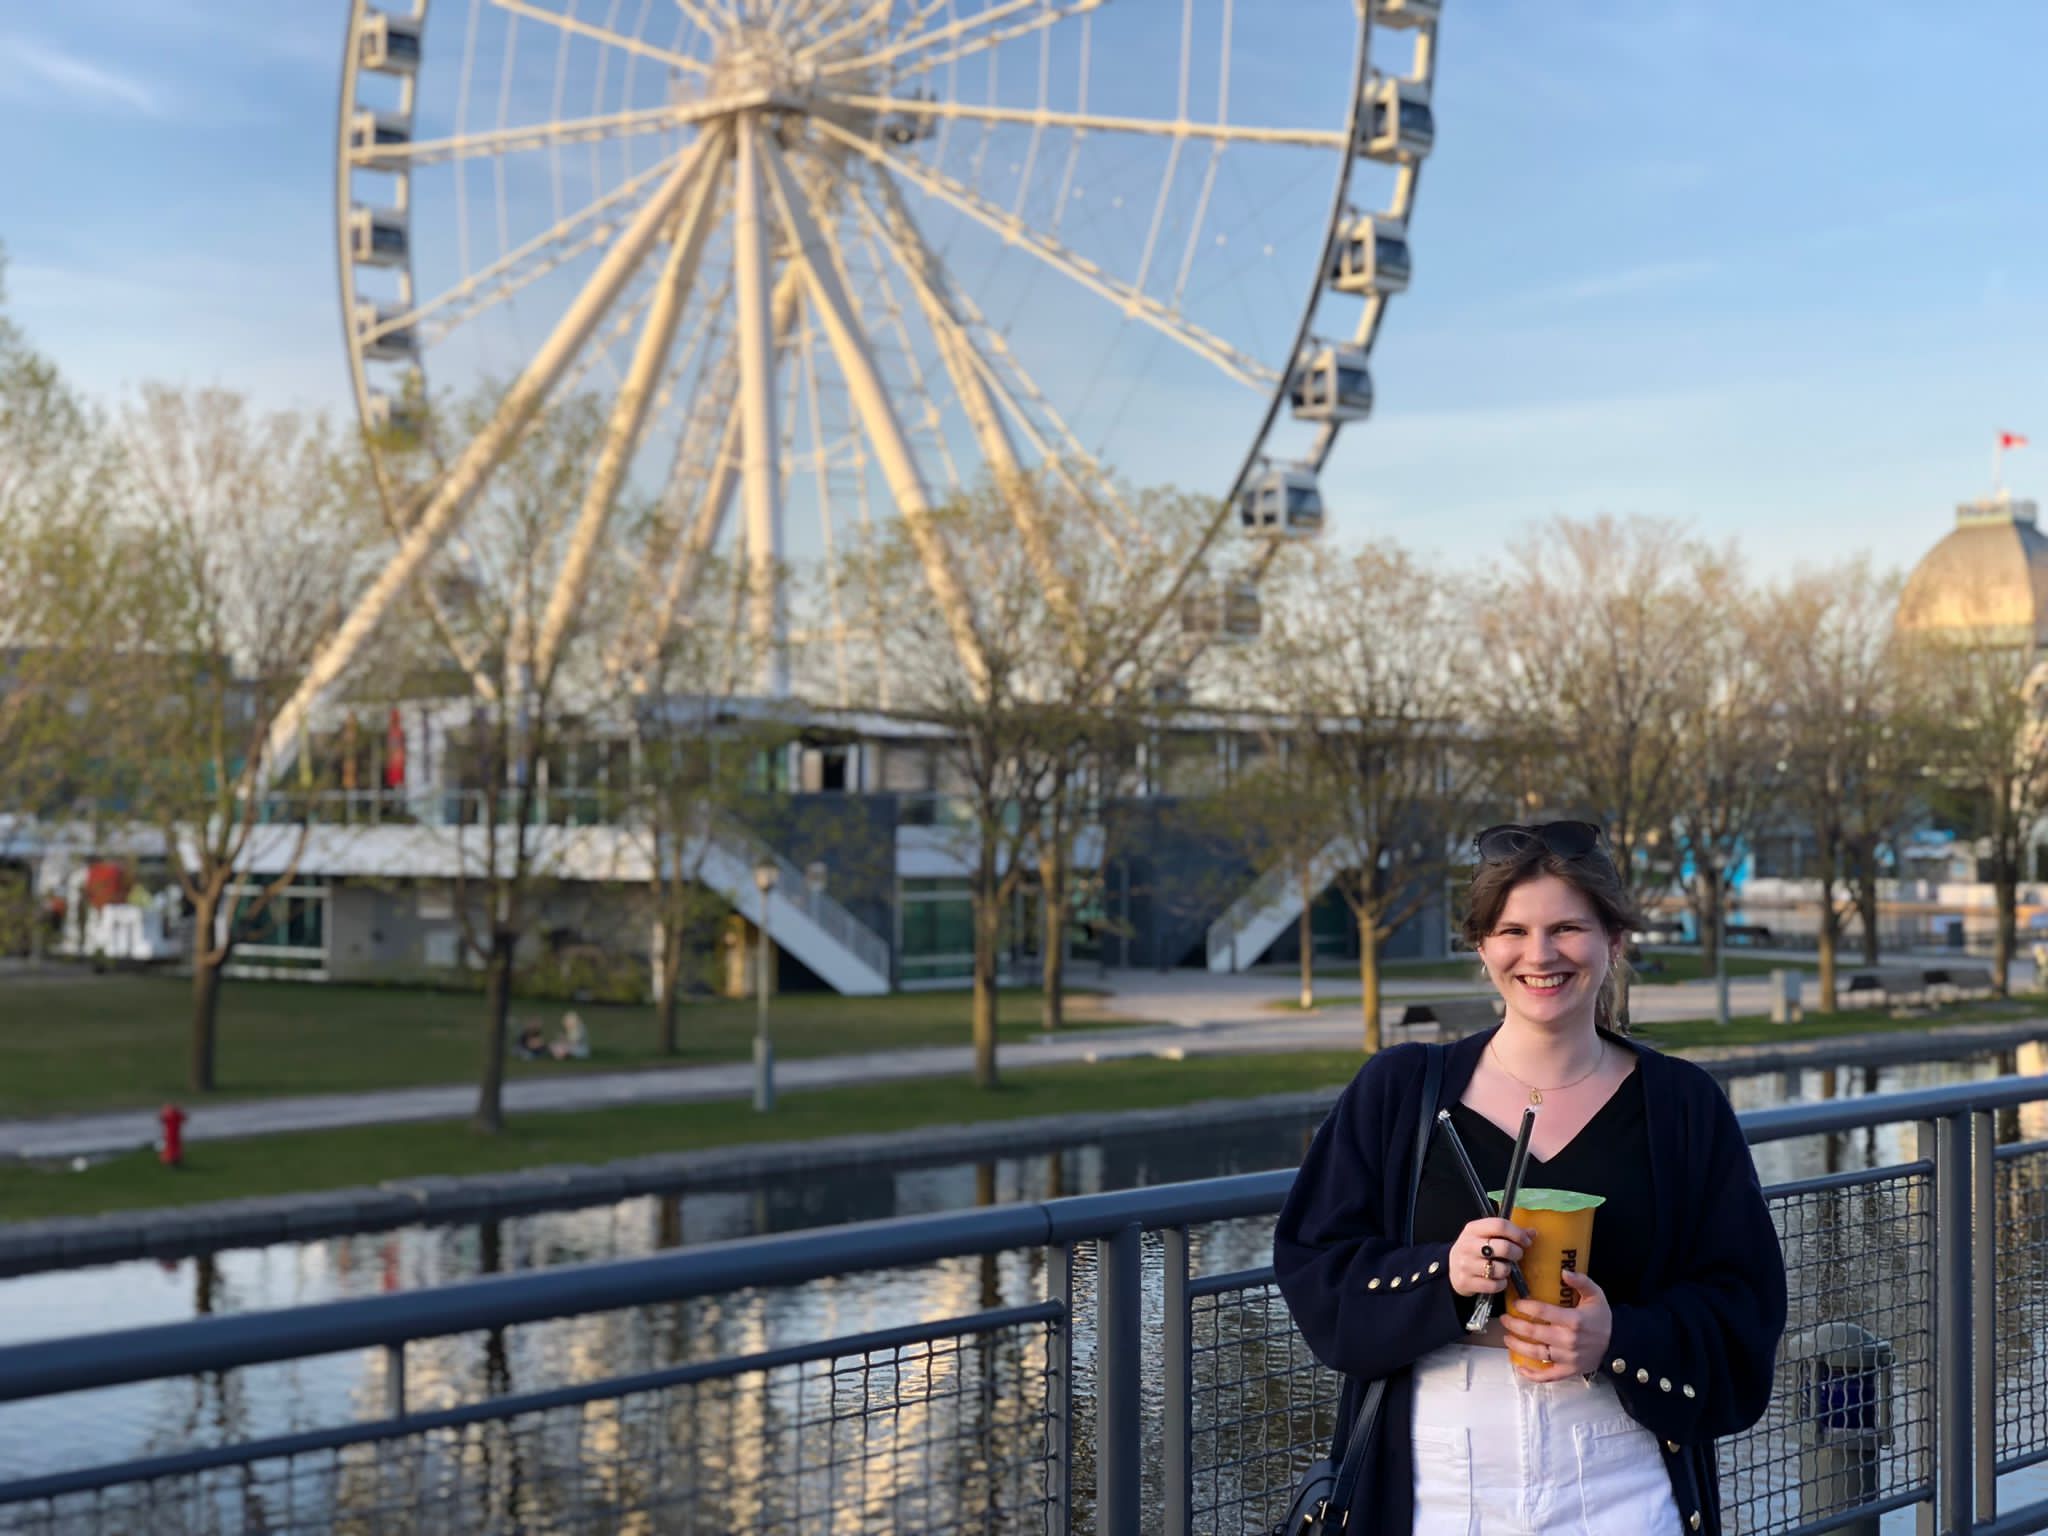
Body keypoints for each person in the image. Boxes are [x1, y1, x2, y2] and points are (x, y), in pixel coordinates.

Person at [1274, 821, 1787, 1536]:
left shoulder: (1683, 1107)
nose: (1539, 954)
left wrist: (1619, 1338)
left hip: (1622, 1480)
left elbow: (1744, 1317)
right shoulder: (1399, 1093)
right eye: (1513, 929)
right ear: (1482, 946)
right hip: (1435, 1477)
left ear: (1614, 940)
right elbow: (1314, 1270)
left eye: (1568, 927)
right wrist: (1441, 1276)